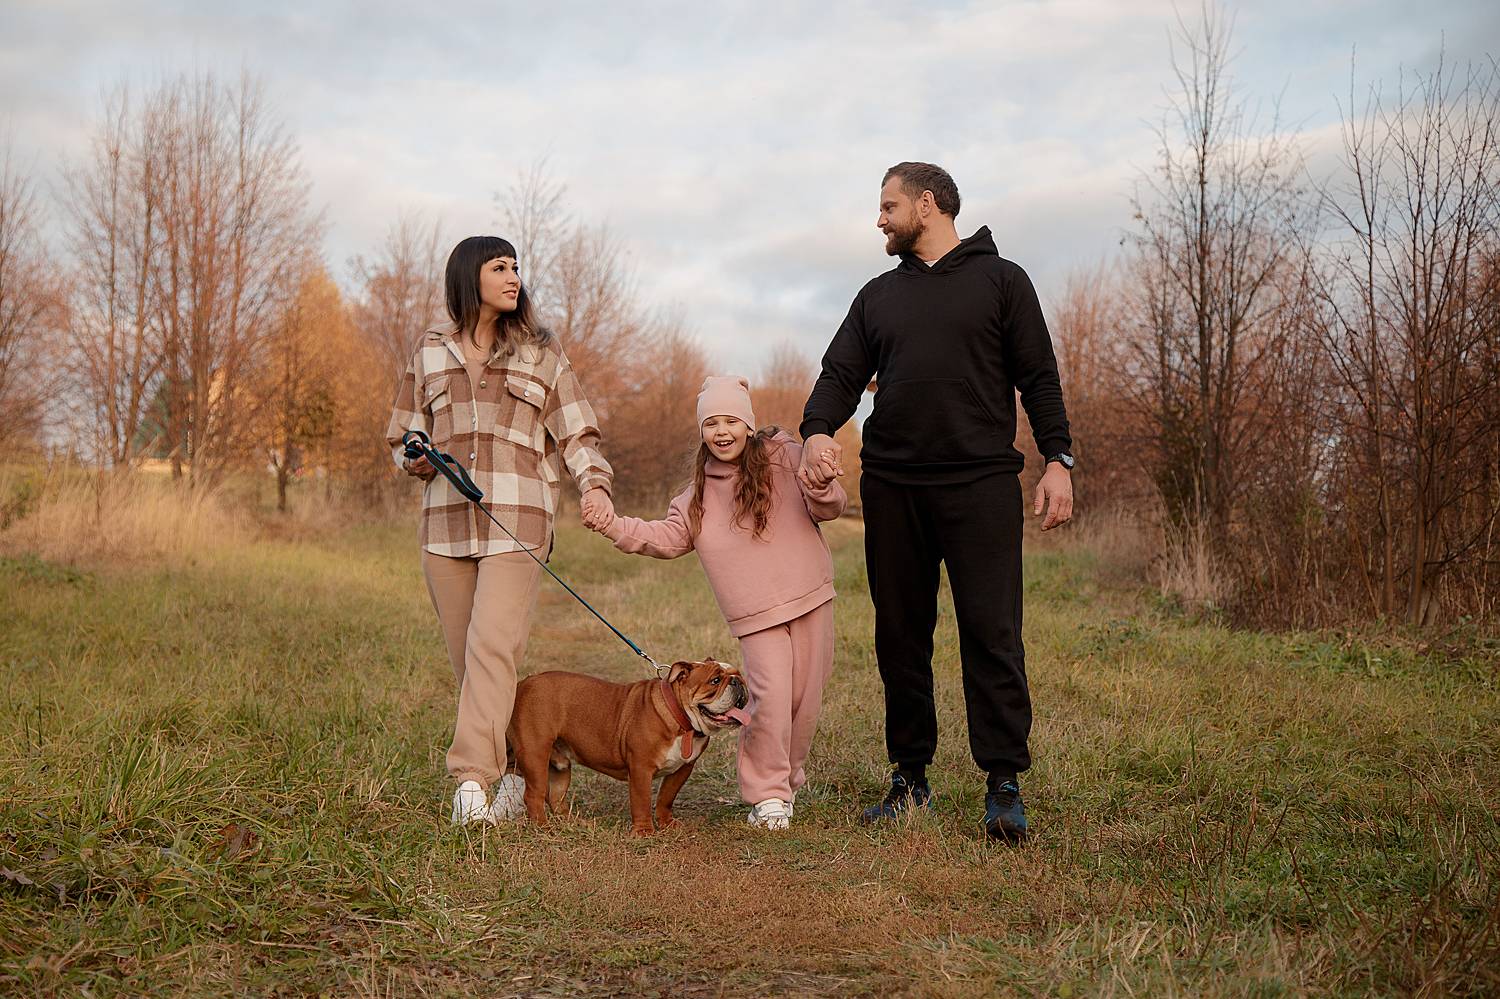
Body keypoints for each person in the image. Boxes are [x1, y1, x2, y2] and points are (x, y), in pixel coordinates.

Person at [798, 162, 1074, 842]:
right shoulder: (877, 296)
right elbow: (840, 373)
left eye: (888, 206)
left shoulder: (1003, 281)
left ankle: (1003, 782)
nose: (879, 219)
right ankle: (909, 777)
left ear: (927, 204)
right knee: (899, 635)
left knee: (992, 632)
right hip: (894, 486)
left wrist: (1058, 459)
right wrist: (816, 431)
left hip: (981, 484)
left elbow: (1039, 376)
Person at [385, 235, 616, 826]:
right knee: (473, 664)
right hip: (444, 527)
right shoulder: (430, 350)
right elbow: (402, 431)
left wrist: (594, 486)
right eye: (499, 267)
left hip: (518, 521)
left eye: (516, 267)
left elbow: (578, 431)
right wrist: (414, 456)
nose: (513, 276)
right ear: (470, 277)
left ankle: (470, 783)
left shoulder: (541, 351)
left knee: (490, 647)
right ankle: (518, 769)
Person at [586, 376, 847, 831]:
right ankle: (767, 794)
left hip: (811, 597)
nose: (721, 431)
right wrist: (613, 525)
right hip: (756, 615)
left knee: (805, 702)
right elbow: (666, 538)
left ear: (748, 424)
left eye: (730, 420)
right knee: (769, 701)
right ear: (702, 432)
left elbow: (830, 507)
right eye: (711, 423)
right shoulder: (697, 496)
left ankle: (786, 781)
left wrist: (823, 483)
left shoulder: (785, 457)